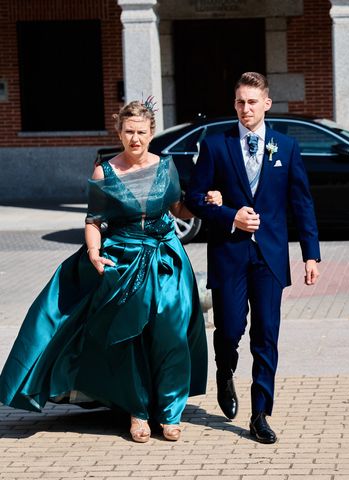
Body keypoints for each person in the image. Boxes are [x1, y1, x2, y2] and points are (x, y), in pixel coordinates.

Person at [0, 100, 221, 443]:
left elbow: (180, 209)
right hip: (123, 259)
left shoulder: (167, 167)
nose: (135, 138)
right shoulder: (105, 171)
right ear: (119, 132)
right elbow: (94, 221)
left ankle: (170, 411)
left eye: (142, 132)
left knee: (172, 334)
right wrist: (93, 252)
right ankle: (138, 412)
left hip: (167, 260)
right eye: (129, 132)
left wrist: (208, 202)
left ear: (152, 133)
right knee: (128, 337)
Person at [185, 72, 321, 444]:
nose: (246, 108)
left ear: (266, 104)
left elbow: (302, 204)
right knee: (229, 329)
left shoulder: (286, 147)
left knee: (267, 335)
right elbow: (194, 199)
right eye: (240, 102)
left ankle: (260, 413)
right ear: (234, 105)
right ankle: (224, 369)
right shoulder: (216, 146)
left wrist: (311, 255)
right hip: (229, 255)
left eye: (252, 101)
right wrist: (230, 215)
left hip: (271, 258)